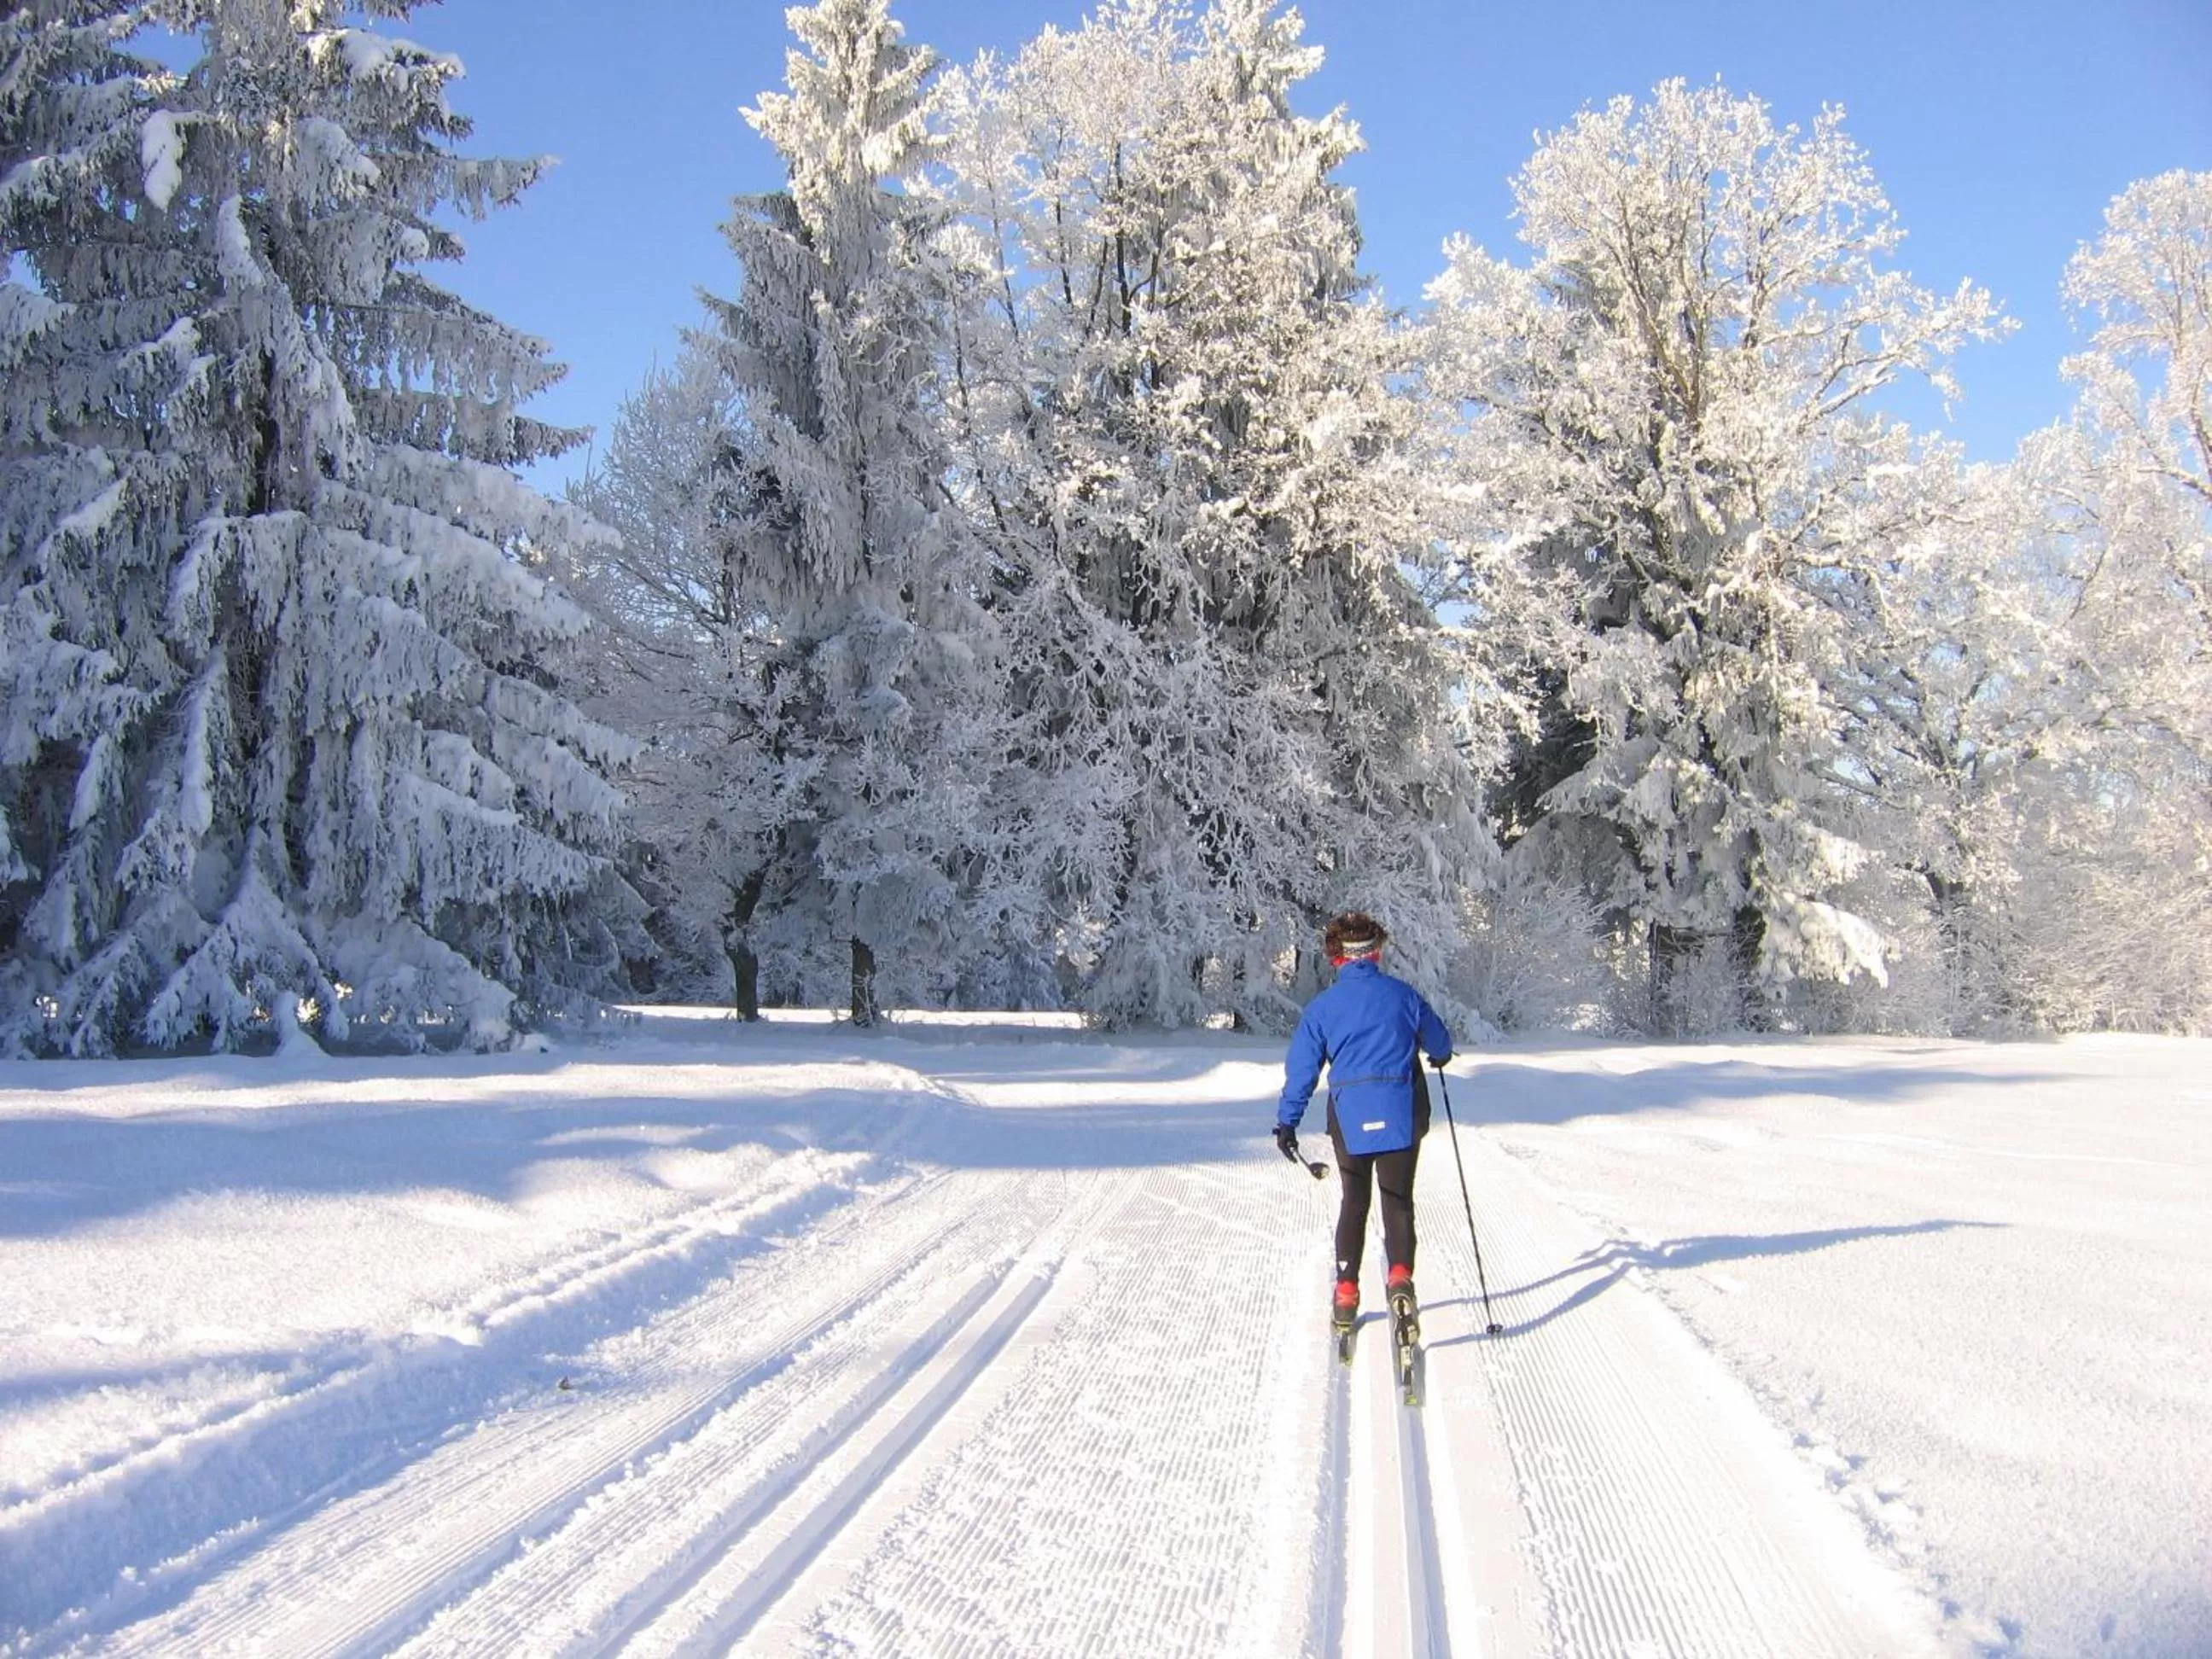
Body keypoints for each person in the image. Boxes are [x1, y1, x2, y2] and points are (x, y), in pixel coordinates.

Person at [1275, 911, 1452, 1336]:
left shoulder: (1322, 1008)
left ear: (1336, 956)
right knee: (1398, 1199)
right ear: (1375, 952)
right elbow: (1440, 1041)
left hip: (1350, 1117)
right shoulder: (1403, 995)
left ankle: (1346, 1292)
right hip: (1401, 1111)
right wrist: (1440, 1055)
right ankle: (1400, 1280)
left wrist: (1287, 1122)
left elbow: (1303, 1070)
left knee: (1354, 1200)